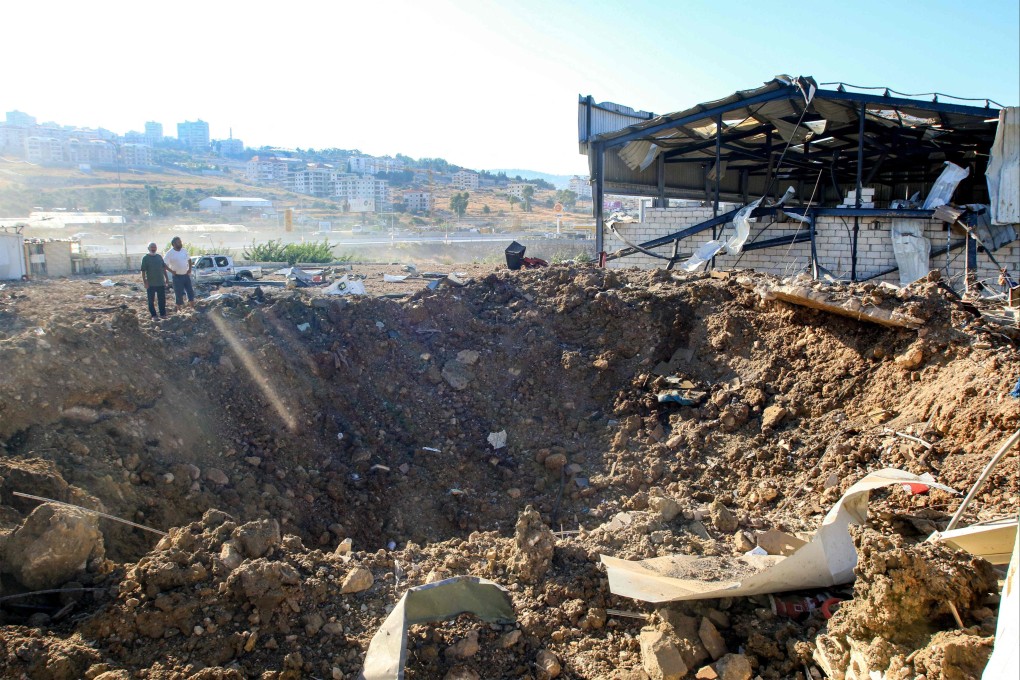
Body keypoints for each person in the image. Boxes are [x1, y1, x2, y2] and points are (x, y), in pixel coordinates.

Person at [140, 242, 170, 319]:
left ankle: (163, 314)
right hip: (151, 283)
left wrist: (166, 278)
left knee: (162, 300)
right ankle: (154, 315)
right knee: (151, 300)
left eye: (154, 247)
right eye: (152, 247)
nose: (153, 249)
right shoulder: (145, 258)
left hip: (160, 282)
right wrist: (145, 282)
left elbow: (164, 268)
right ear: (148, 248)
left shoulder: (159, 257)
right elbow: (143, 271)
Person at [164, 236, 195, 310]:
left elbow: (189, 259)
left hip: (186, 275)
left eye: (180, 242)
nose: (180, 243)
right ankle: (179, 310)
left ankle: (192, 308)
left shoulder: (184, 250)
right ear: (174, 244)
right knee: (178, 294)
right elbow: (164, 264)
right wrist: (171, 271)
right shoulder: (169, 253)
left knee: (190, 291)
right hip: (177, 277)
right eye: (178, 242)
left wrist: (189, 269)